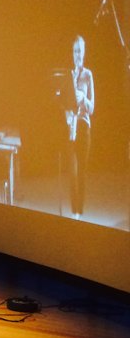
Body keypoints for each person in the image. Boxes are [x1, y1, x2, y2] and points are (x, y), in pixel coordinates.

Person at [65, 34, 95, 220]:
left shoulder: (88, 75)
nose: (77, 55)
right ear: (72, 53)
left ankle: (79, 214)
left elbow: (92, 108)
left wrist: (83, 98)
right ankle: (72, 211)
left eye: (80, 51)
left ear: (84, 53)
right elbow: (64, 102)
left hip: (84, 126)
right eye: (75, 51)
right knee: (71, 171)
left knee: (81, 171)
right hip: (70, 127)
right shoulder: (69, 75)